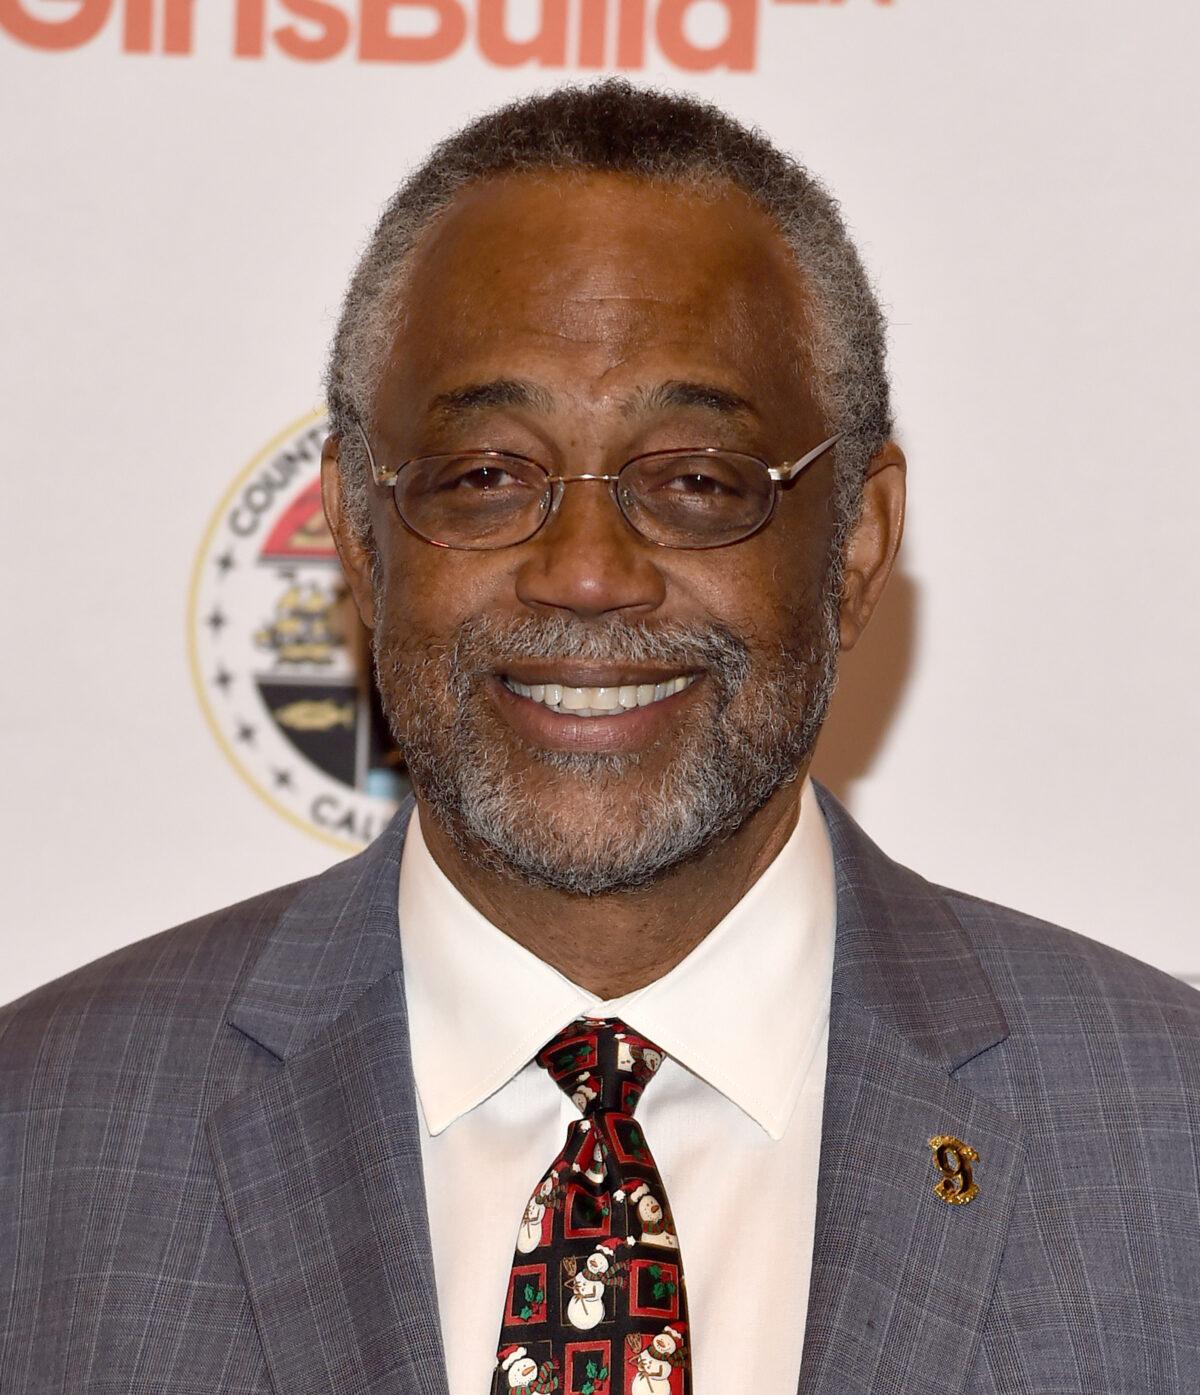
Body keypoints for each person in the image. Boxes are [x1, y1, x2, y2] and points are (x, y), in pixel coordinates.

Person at [2, 79, 1199, 1395]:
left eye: (694, 482)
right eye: (486, 477)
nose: (584, 575)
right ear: (354, 535)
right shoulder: (41, 1134)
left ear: (856, 536)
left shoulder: (1166, 1132)